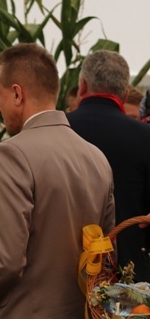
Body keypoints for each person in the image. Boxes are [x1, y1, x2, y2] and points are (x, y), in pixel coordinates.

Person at [0, 43, 115, 318]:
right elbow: (104, 253)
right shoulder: (97, 157)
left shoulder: (11, 154)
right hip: (81, 311)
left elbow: (3, 263)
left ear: (17, 94)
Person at [67, 50, 150, 282]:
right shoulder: (145, 137)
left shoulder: (55, 130)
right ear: (124, 94)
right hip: (127, 280)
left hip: (62, 277)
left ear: (82, 86)